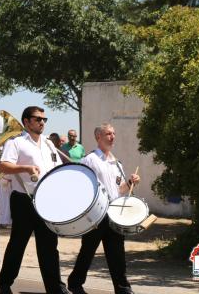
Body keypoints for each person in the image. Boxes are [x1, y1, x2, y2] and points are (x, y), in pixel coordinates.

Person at [0, 106, 69, 294]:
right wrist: (25, 168)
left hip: (47, 200)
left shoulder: (48, 144)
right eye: (38, 119)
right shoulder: (16, 142)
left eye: (45, 119)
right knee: (18, 243)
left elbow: (57, 169)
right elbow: (3, 165)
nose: (42, 122)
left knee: (49, 246)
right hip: (24, 199)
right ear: (27, 121)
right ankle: (5, 283)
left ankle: (55, 288)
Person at [67, 123, 140, 294]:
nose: (112, 137)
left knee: (117, 254)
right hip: (96, 215)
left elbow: (119, 190)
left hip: (114, 214)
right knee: (88, 251)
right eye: (108, 134)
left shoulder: (117, 163)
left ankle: (122, 288)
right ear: (98, 137)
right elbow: (81, 187)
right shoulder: (90, 160)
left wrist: (130, 183)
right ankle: (75, 284)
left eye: (113, 133)